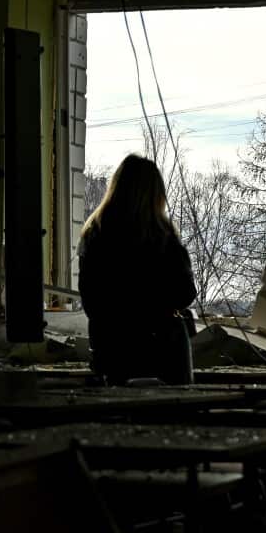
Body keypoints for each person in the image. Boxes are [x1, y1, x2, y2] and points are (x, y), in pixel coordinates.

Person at [79, 154, 196, 384]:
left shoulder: (95, 234)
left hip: (112, 351)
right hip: (162, 351)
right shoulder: (163, 236)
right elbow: (185, 292)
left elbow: (91, 301)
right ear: (156, 194)